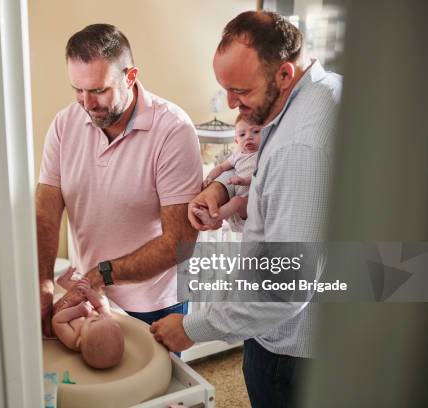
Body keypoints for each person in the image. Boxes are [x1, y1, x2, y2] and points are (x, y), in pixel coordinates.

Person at [150, 11, 342, 408]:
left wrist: (193, 327)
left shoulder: (301, 147)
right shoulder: (325, 92)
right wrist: (222, 188)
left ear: (284, 74)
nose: (231, 104)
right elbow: (268, 180)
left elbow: (287, 287)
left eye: (240, 91)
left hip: (292, 352)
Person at [36, 24, 202, 337]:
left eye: (98, 90)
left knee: (159, 385)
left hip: (153, 302)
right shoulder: (64, 123)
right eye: (78, 90)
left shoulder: (173, 131)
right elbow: (46, 208)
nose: (87, 103)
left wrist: (102, 274)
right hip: (91, 295)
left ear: (130, 76)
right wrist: (43, 280)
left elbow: (178, 243)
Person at [195, 116, 262, 231]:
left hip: (255, 202)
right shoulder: (237, 155)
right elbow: (221, 167)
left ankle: (214, 218)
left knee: (236, 201)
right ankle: (212, 214)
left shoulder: (262, 154)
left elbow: (262, 176)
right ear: (236, 141)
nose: (249, 137)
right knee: (230, 200)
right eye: (242, 135)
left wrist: (244, 181)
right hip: (240, 208)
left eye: (255, 132)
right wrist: (210, 177)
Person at [52, 275, 124, 369]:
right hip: (85, 300)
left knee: (66, 297)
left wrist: (77, 311)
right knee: (86, 292)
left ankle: (63, 283)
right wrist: (89, 292)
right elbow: (102, 305)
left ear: (80, 341)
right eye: (107, 320)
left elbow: (58, 321)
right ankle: (66, 283)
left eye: (93, 321)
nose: (101, 316)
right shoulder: (105, 320)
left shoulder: (72, 339)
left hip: (64, 305)